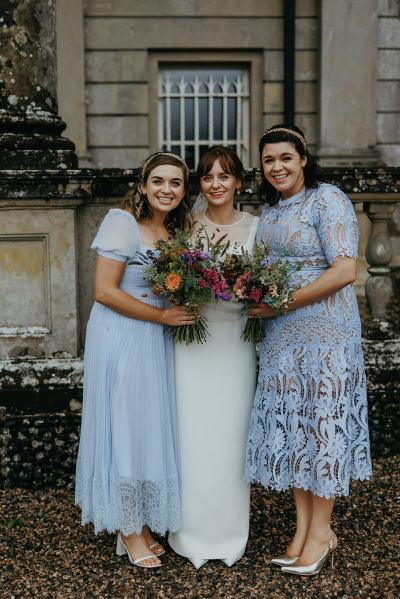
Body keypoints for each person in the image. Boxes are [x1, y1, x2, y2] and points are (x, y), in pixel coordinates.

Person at [246, 126, 372, 576]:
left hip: (326, 335)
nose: (277, 166)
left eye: (285, 157)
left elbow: (344, 270)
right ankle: (301, 531)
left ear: (303, 158)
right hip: (282, 337)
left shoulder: (328, 199)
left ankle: (323, 532)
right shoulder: (271, 210)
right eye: (268, 160)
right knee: (298, 428)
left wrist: (282, 301)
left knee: (322, 428)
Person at [75, 152, 195, 569]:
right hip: (121, 334)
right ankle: (127, 528)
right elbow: (105, 290)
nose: (167, 190)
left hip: (153, 339)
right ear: (142, 186)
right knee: (123, 423)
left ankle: (141, 521)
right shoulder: (121, 222)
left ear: (184, 190)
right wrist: (163, 314)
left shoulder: (175, 231)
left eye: (176, 183)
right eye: (158, 181)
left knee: (145, 424)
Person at [168, 146, 259, 569]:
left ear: (238, 181)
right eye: (207, 177)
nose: (216, 184)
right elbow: (167, 281)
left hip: (236, 344)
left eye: (224, 176)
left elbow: (267, 287)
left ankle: (228, 532)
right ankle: (189, 531)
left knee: (230, 437)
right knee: (192, 434)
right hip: (193, 343)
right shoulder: (186, 228)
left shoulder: (259, 229)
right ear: (199, 184)